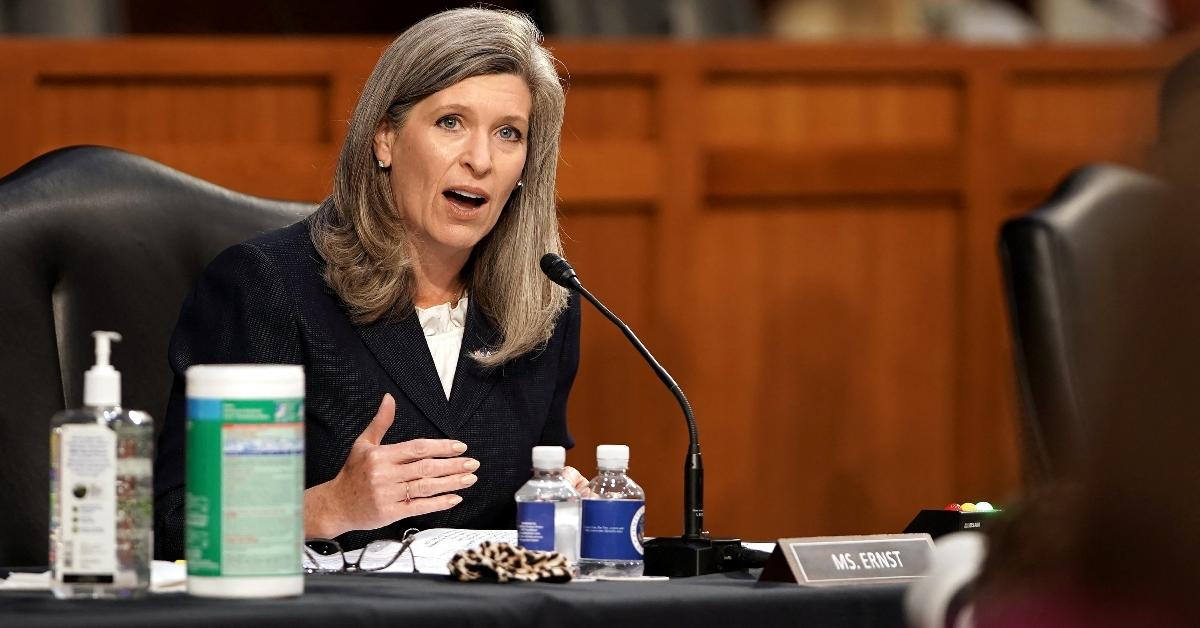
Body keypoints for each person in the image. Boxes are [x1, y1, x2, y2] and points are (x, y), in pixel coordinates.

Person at [152, 8, 588, 559]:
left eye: (508, 133)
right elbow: (172, 527)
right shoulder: (268, 286)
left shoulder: (542, 308)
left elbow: (507, 510)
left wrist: (557, 502)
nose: (480, 159)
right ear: (385, 138)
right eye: (450, 122)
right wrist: (332, 506)